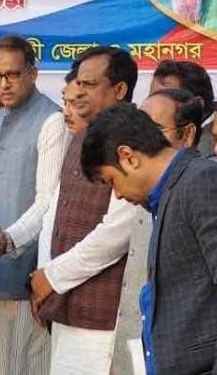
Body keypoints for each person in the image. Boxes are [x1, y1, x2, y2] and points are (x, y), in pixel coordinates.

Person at [27, 46, 141, 375]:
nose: (78, 92)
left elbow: (117, 233)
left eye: (89, 85)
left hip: (103, 312)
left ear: (119, 90)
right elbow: (55, 213)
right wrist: (43, 276)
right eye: (78, 83)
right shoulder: (83, 136)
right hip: (61, 300)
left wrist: (53, 277)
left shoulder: (134, 139)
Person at [81, 104, 217, 375]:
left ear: (128, 157)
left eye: (111, 181)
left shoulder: (200, 182)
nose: (117, 195)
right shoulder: (165, 197)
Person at [0, 36, 69, 375]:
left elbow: (49, 200)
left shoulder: (52, 121)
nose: (4, 84)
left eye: (12, 75)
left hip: (28, 271)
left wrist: (9, 239)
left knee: (24, 364)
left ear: (32, 73)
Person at [150, 59, 215, 156]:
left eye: (164, 101)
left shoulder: (209, 152)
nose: (153, 106)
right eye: (151, 98)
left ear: (197, 105)